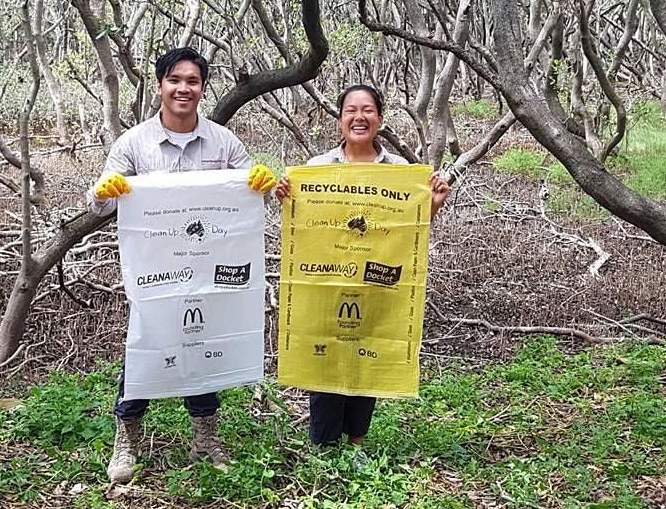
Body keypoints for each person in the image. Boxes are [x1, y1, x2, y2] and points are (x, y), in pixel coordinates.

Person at [87, 47, 276, 484]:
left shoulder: (224, 142)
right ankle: (127, 439)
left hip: (210, 269)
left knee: (201, 347)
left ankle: (205, 438)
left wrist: (261, 184)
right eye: (175, 80)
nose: (183, 89)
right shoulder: (132, 143)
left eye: (192, 81)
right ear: (159, 86)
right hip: (155, 273)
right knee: (145, 348)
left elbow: (250, 192)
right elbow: (96, 205)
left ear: (203, 89)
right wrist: (105, 191)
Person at [274, 84, 449, 450]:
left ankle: (357, 439)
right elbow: (303, 224)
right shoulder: (317, 169)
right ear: (340, 120)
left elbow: (410, 228)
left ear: (380, 119)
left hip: (378, 281)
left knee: (365, 350)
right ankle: (322, 444)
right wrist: (286, 196)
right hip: (327, 279)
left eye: (368, 110)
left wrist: (432, 203)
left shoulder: (401, 171)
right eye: (351, 110)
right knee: (326, 355)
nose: (359, 117)